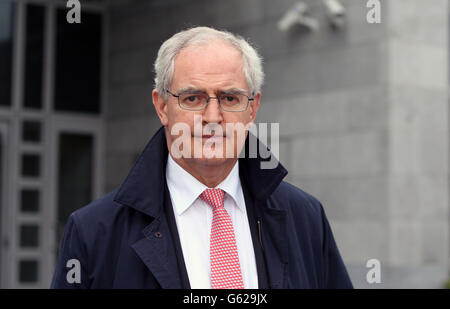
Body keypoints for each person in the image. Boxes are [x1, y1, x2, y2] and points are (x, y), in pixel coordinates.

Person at [51, 26, 353, 289]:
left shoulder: (306, 217)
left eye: (230, 98)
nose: (212, 117)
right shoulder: (94, 232)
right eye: (193, 98)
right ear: (162, 106)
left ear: (252, 108)